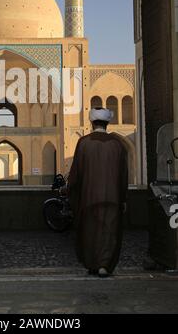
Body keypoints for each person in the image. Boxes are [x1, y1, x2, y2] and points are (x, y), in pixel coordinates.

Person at [68, 107, 128, 277]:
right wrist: (123, 198)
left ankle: (92, 263)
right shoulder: (117, 144)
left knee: (90, 230)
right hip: (113, 197)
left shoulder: (84, 143)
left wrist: (74, 193)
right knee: (110, 231)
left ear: (91, 122)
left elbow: (76, 173)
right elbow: (123, 174)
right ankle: (104, 265)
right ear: (108, 123)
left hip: (89, 197)